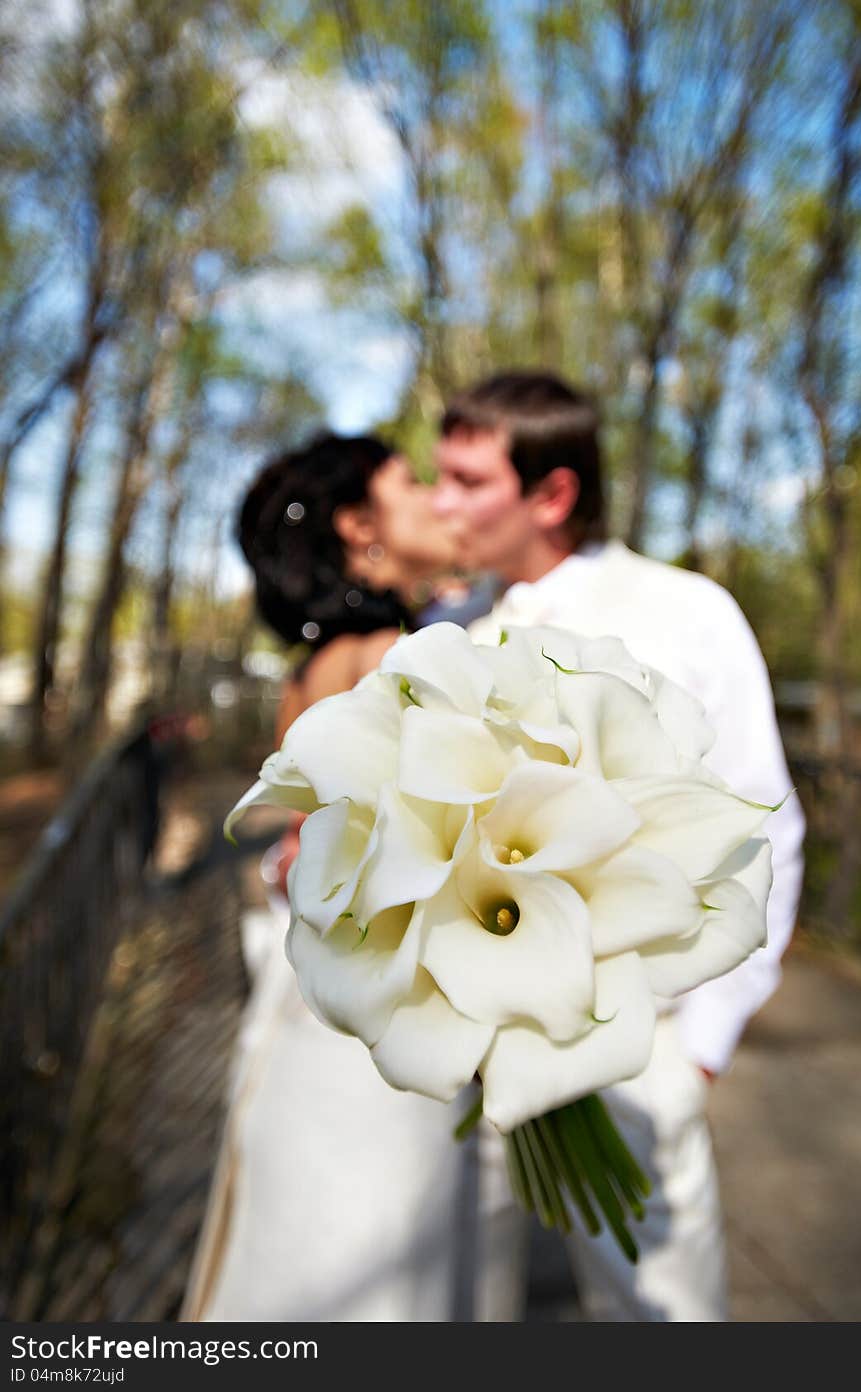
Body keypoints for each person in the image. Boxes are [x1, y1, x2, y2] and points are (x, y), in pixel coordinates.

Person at [431, 370, 806, 1321]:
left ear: (551, 495)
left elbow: (765, 819)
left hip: (641, 1059)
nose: (442, 504)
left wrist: (706, 1043)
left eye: (467, 481)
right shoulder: (451, 633)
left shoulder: (688, 612)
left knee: (660, 1317)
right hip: (469, 1072)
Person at [183, 432, 471, 1322]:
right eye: (411, 484)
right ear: (360, 528)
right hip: (385, 1014)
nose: (434, 496)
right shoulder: (395, 655)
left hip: (314, 1003)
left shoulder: (309, 670)